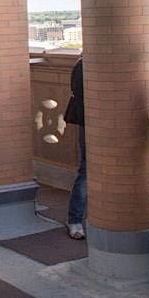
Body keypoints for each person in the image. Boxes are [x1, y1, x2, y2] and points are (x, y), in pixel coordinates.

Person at [64, 57, 86, 239]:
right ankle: (75, 218)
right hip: (90, 124)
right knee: (86, 170)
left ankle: (75, 219)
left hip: (105, 125)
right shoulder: (82, 65)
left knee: (85, 171)